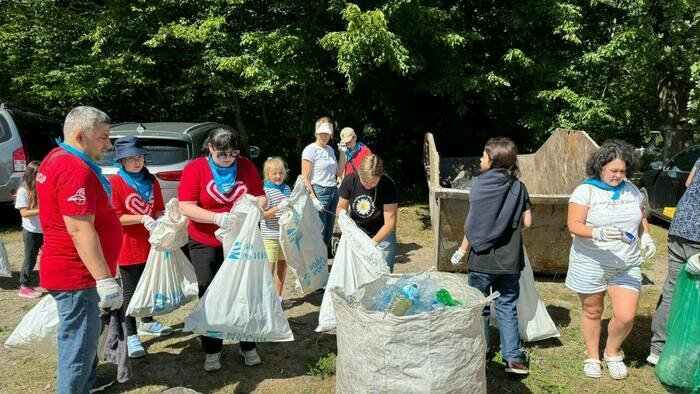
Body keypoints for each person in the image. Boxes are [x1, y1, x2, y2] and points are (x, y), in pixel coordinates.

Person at [36, 106, 123, 393]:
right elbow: (79, 228)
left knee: (84, 339)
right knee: (79, 346)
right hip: (78, 275)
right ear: (80, 135)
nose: (108, 144)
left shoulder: (58, 157)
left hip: (75, 270)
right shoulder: (74, 168)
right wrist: (105, 279)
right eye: (103, 137)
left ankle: (86, 382)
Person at [564, 140, 656, 380]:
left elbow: (639, 216)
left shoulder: (631, 190)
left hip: (626, 263)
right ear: (600, 168)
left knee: (626, 315)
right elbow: (573, 224)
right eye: (613, 170)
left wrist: (645, 235)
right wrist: (597, 232)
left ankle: (612, 351)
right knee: (593, 310)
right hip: (591, 261)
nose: (618, 175)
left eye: (622, 171)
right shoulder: (585, 191)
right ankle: (592, 355)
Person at [178, 127, 266, 372]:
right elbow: (186, 205)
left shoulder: (246, 166)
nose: (228, 159)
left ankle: (247, 344)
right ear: (210, 150)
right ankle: (212, 349)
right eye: (222, 154)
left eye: (232, 153)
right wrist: (216, 218)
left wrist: (250, 208)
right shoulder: (195, 169)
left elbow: (260, 196)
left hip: (240, 241)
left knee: (244, 291)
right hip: (205, 241)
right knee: (210, 294)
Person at [450, 137, 532, 376]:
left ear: (494, 161)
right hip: (509, 261)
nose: (480, 159)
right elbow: (528, 222)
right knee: (507, 307)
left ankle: (481, 352)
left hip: (481, 259)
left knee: (480, 307)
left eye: (484, 156)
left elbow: (474, 223)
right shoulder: (519, 187)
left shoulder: (478, 185)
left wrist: (461, 250)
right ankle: (513, 359)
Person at [110, 135, 172, 359]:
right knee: (130, 291)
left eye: (139, 157)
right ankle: (131, 333)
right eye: (131, 158)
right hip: (128, 246)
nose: (137, 162)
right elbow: (116, 217)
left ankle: (147, 321)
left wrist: (166, 219)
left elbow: (158, 209)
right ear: (121, 161)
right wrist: (142, 219)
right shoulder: (115, 183)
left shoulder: (151, 180)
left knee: (149, 287)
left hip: (152, 243)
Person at [648, 153, 700, 365]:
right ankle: (686, 352)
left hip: (680, 229)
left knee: (672, 288)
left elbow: (689, 182)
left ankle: (658, 349)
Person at [336, 154, 398, 271]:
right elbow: (340, 207)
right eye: (365, 182)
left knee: (383, 274)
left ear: (380, 176)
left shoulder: (387, 184)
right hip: (357, 234)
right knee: (357, 272)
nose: (369, 186)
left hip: (383, 236)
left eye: (373, 183)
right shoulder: (350, 180)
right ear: (359, 173)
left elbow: (390, 221)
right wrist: (342, 215)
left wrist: (372, 244)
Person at [301, 117, 343, 256]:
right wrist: (313, 198)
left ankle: (322, 264)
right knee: (319, 230)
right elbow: (305, 177)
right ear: (316, 134)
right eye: (322, 133)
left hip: (333, 191)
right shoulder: (310, 150)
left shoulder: (330, 149)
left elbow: (339, 172)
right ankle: (313, 263)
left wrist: (342, 153)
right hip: (319, 191)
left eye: (327, 134)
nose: (324, 136)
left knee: (328, 232)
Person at [260, 157, 293, 308]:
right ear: (267, 174)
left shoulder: (287, 189)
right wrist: (279, 207)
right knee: (269, 267)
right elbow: (262, 215)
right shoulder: (265, 191)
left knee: (283, 265)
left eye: (280, 173)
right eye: (274, 173)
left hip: (284, 235)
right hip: (270, 236)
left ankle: (277, 298)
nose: (278, 176)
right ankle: (265, 301)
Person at [15, 160, 43, 298]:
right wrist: (43, 210)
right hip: (31, 231)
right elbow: (24, 212)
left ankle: (50, 281)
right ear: (32, 174)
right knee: (30, 259)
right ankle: (24, 286)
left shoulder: (42, 187)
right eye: (39, 173)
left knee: (50, 256)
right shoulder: (23, 190)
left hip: (45, 230)